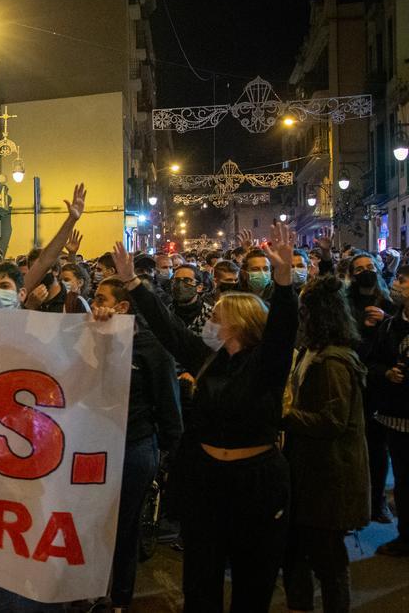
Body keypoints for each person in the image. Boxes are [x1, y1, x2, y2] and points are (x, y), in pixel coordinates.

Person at [98, 224, 298, 613]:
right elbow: (169, 329)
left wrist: (285, 282)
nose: (209, 321)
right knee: (200, 582)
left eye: (217, 316)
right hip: (206, 483)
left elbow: (282, 334)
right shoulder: (208, 361)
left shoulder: (265, 366)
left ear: (239, 324)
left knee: (252, 583)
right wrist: (133, 283)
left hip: (257, 484)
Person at [89, 277, 183, 611]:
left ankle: (119, 598)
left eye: (100, 298)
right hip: (92, 449)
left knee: (123, 528)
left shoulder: (151, 349)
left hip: (134, 448)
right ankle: (89, 588)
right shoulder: (85, 340)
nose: (94, 302)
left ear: (122, 307)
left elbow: (169, 406)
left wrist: (173, 457)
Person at [282, 276, 369, 613]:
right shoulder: (311, 352)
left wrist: (286, 415)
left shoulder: (332, 361)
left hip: (329, 477)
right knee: (296, 553)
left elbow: (332, 421)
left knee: (329, 560)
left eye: (304, 309)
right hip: (309, 472)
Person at [348, 251, 398, 524]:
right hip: (356, 383)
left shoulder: (388, 302)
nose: (365, 271)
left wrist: (385, 321)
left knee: (379, 449)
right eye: (359, 268)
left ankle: (377, 501)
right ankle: (357, 502)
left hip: (381, 386)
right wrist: (364, 327)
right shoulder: (346, 303)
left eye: (369, 266)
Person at [364, 263, 409, 555]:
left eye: (406, 281)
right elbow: (372, 362)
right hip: (397, 417)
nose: (400, 286)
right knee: (403, 480)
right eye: (401, 281)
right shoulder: (390, 325)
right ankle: (405, 537)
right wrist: (386, 374)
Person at [170, 263, 213, 335]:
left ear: (199, 287)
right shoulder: (167, 311)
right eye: (176, 280)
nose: (180, 285)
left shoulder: (211, 316)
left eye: (187, 280)